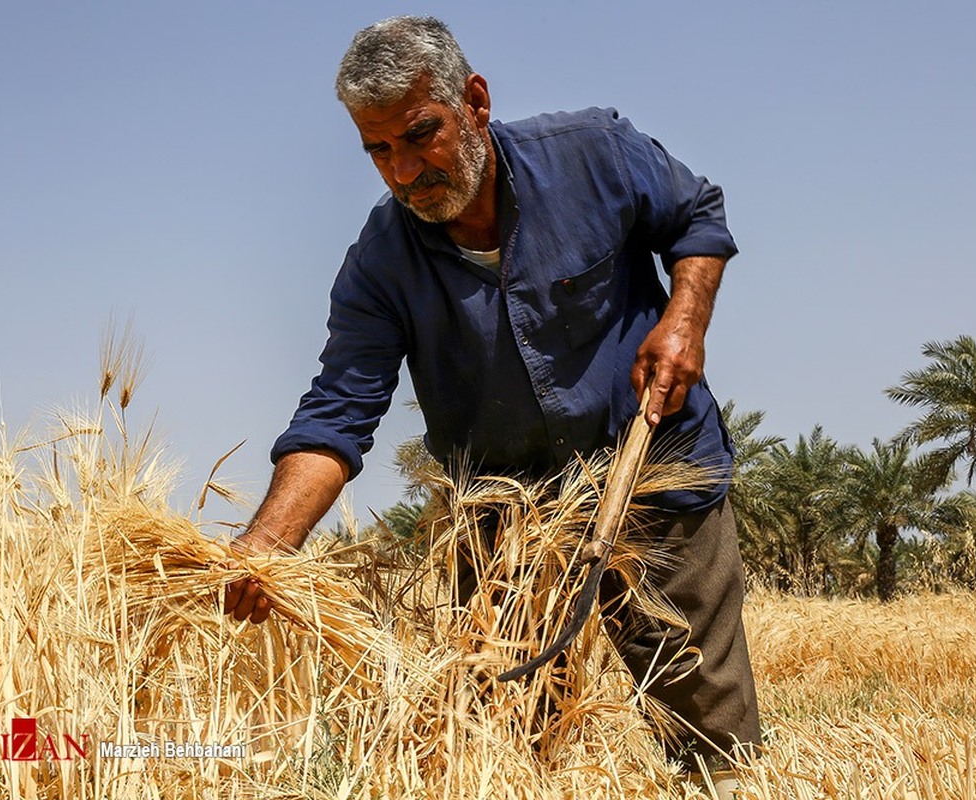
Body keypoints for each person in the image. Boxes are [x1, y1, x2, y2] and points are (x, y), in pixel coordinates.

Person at [223, 14, 761, 789]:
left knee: (711, 737)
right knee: (508, 747)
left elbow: (697, 216)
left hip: (657, 474)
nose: (403, 173)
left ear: (474, 101)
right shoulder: (379, 266)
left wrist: (684, 321)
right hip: (507, 523)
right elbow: (338, 415)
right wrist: (267, 544)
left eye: (419, 136)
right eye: (379, 151)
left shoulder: (592, 152)